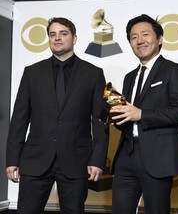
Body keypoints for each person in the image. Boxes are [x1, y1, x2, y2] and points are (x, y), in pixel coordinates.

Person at [6, 17, 109, 214]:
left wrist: (97, 160)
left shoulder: (94, 73)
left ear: (74, 38)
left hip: (76, 160)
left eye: (63, 33)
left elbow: (100, 120)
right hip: (35, 160)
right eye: (52, 34)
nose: (57, 38)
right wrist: (12, 159)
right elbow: (19, 118)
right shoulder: (32, 73)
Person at [109, 14, 178, 214]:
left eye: (145, 34)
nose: (139, 40)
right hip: (126, 156)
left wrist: (142, 114)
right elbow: (131, 116)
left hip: (157, 157)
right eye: (133, 37)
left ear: (160, 38)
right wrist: (117, 116)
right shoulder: (130, 76)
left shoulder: (173, 70)